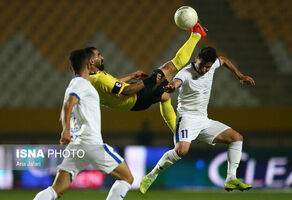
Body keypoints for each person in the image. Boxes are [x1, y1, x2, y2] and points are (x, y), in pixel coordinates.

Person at [139, 47, 255, 194]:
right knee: (181, 151)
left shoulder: (211, 66)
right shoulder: (186, 73)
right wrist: (172, 86)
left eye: (208, 67)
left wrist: (240, 75)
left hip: (203, 119)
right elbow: (176, 81)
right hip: (186, 118)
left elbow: (224, 60)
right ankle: (152, 175)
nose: (205, 70)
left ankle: (231, 178)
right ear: (196, 59)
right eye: (202, 66)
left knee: (236, 138)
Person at [33, 49, 133, 200]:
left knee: (56, 190)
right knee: (126, 177)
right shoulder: (81, 84)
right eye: (98, 56)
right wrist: (65, 131)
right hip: (92, 144)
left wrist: (66, 130)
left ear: (71, 68)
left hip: (77, 145)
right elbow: (69, 104)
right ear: (89, 63)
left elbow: (66, 108)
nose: (101, 58)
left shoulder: (77, 84)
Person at [87, 21, 208, 133]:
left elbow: (111, 84)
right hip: (137, 96)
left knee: (165, 96)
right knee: (169, 68)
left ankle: (178, 131)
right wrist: (149, 81)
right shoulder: (99, 78)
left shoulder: (88, 79)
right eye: (99, 55)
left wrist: (132, 75)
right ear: (91, 61)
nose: (102, 58)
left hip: (135, 104)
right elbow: (127, 91)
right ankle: (197, 34)